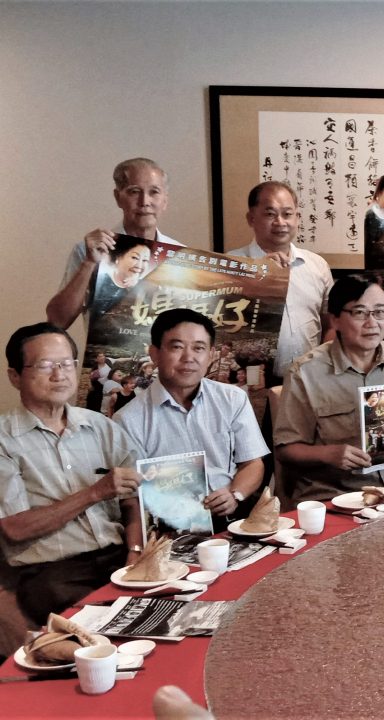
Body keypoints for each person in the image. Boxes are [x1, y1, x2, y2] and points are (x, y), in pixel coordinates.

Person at [0, 323, 141, 624]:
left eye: (66, 364)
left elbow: (133, 499)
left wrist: (136, 550)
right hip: (53, 570)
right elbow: (14, 528)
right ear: (15, 376)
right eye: (45, 365)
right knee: (106, 626)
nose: (60, 374)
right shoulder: (4, 439)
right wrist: (95, 492)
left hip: (118, 554)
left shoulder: (101, 426)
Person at [274, 275, 384, 503]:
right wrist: (328, 454)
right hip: (336, 495)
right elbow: (286, 449)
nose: (372, 323)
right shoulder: (305, 373)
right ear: (335, 319)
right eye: (360, 313)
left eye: (380, 312)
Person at [116, 309, 270, 525]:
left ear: (211, 355)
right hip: (169, 526)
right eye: (177, 347)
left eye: (199, 348)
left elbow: (253, 463)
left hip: (233, 516)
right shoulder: (128, 419)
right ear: (154, 354)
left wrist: (235, 495)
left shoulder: (233, 398)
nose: (189, 358)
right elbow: (130, 496)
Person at [48, 158, 181, 329]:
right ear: (118, 198)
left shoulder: (179, 255)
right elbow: (57, 321)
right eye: (134, 192)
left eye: (154, 192)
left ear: (165, 201)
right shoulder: (90, 251)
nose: (145, 202)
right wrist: (89, 263)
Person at [227, 181, 335, 383]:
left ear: (297, 218)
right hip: (251, 381)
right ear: (251, 218)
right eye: (270, 214)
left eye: (287, 214)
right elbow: (220, 331)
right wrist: (260, 273)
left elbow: (331, 324)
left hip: (308, 381)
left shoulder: (317, 265)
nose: (280, 222)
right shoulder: (231, 265)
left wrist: (323, 366)